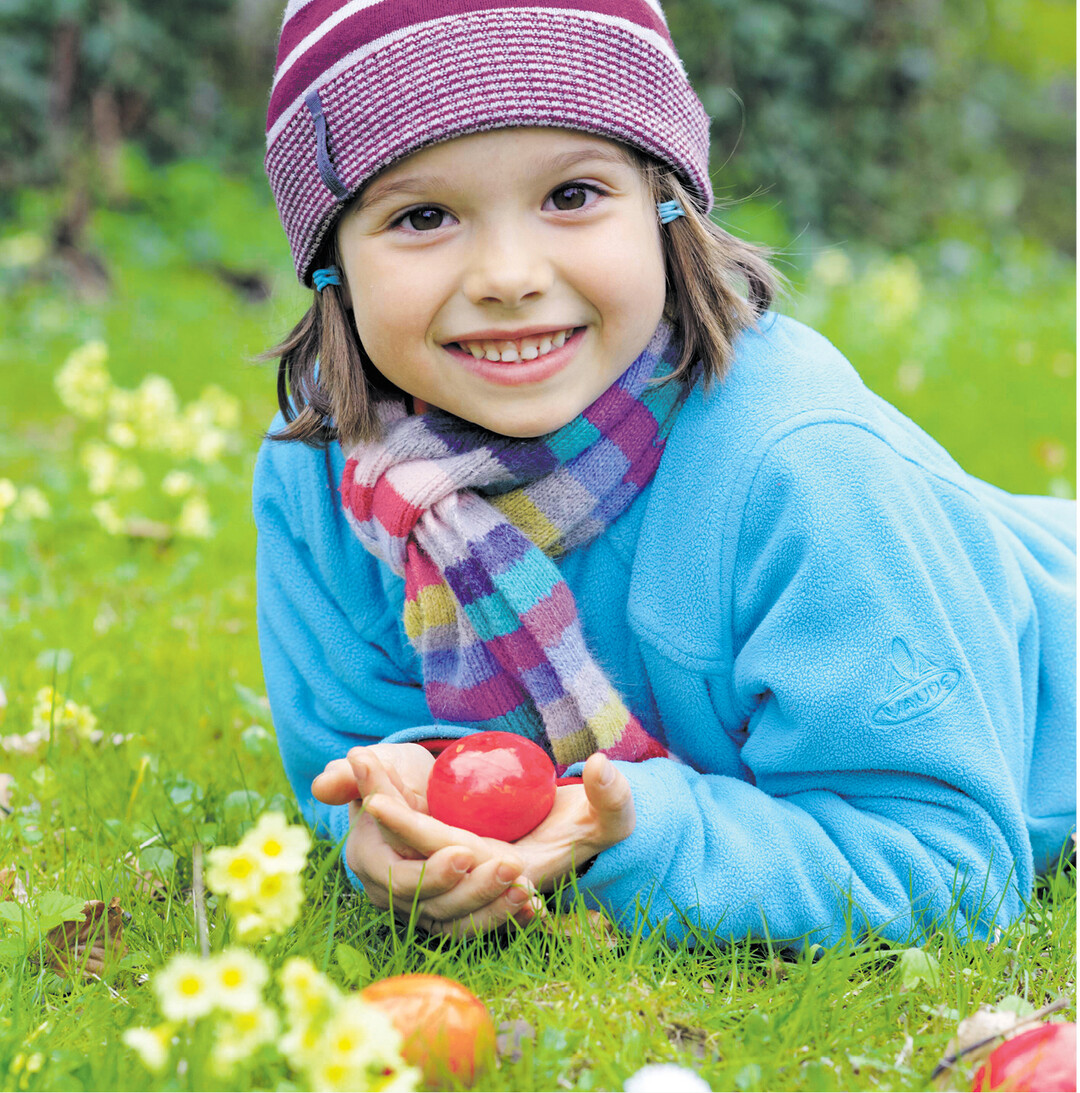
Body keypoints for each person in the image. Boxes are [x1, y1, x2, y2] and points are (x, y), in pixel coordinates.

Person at [253, 0, 1076, 947]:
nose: (508, 274)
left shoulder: (802, 471)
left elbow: (944, 857)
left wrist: (626, 838)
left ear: (666, 203)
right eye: (423, 214)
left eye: (571, 196)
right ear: (331, 265)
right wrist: (399, 813)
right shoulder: (335, 479)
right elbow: (347, 742)